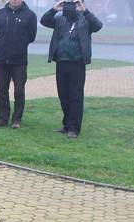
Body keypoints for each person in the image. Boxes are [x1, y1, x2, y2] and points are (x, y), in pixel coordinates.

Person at [40, 0, 101, 139]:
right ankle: (67, 124)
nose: (72, 5)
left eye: (75, 2)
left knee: (76, 96)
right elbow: (44, 21)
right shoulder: (60, 19)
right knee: (63, 95)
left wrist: (84, 10)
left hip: (77, 63)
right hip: (62, 61)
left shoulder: (86, 19)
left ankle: (74, 128)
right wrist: (54, 9)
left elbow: (98, 25)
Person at [0, 0, 35, 129]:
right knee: (2, 90)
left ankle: (17, 119)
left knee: (19, 90)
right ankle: (3, 117)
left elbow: (31, 36)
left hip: (19, 60)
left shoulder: (30, 15)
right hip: (2, 59)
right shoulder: (0, 14)